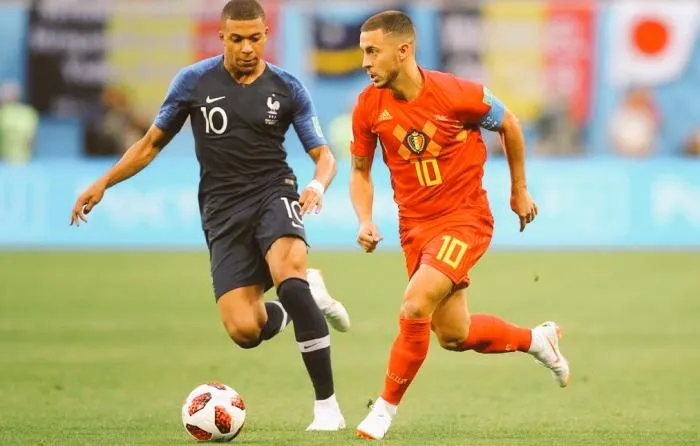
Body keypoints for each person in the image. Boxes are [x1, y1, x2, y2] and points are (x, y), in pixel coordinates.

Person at [69, 0, 349, 431]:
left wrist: (316, 185)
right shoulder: (193, 82)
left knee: (290, 280)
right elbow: (149, 144)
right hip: (222, 210)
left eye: (254, 38)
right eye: (237, 39)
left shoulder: (288, 87)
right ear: (221, 37)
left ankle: (327, 407)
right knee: (245, 330)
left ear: (266, 35)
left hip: (274, 193)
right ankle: (309, 294)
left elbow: (324, 156)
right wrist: (105, 182)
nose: (247, 48)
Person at [349, 11, 570, 440]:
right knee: (453, 334)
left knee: (415, 304)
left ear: (403, 50)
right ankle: (536, 341)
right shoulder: (368, 106)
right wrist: (365, 218)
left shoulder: (455, 94)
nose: (365, 62)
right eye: (363, 52)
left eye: (373, 52)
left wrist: (519, 190)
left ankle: (383, 410)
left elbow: (509, 123)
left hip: (464, 220)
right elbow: (360, 171)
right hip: (415, 229)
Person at [0, 81, 39, 165]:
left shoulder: (3, 113)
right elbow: (32, 140)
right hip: (24, 160)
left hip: (6, 160)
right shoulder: (29, 112)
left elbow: (32, 139)